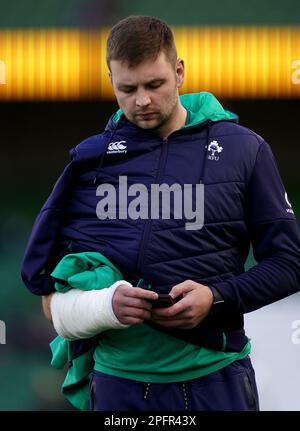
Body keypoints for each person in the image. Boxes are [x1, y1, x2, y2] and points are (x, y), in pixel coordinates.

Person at [21, 15, 300, 411]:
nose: (142, 101)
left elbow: (290, 263)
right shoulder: (88, 162)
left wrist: (217, 297)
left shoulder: (245, 150)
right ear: (111, 82)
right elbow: (48, 299)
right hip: (120, 385)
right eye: (127, 89)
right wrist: (106, 305)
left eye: (155, 84)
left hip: (218, 378)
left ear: (180, 71)